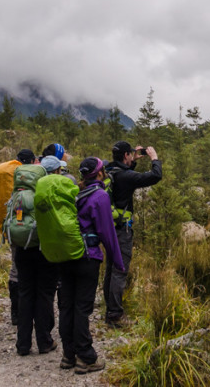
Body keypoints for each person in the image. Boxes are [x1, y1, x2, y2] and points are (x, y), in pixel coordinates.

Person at [58, 157, 125, 374]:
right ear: (99, 173)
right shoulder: (100, 196)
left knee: (67, 305)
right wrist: (117, 260)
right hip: (88, 257)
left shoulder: (74, 193)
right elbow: (107, 232)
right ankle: (86, 357)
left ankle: (68, 355)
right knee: (82, 307)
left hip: (67, 255)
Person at [102, 141, 162, 327]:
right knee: (119, 271)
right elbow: (154, 176)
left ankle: (110, 309)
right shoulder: (125, 176)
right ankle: (115, 316)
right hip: (122, 231)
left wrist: (132, 161)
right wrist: (154, 159)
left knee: (110, 269)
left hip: (110, 228)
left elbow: (126, 178)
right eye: (130, 154)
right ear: (126, 155)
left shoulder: (109, 171)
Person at [12, 160, 56, 356]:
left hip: (21, 250)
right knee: (44, 295)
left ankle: (22, 344)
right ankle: (44, 342)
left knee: (25, 294)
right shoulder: (43, 196)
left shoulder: (17, 197)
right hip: (42, 250)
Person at [0, 148, 36, 325]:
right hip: (29, 228)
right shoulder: (27, 176)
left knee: (16, 268)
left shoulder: (5, 170)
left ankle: (15, 313)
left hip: (10, 226)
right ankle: (28, 311)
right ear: (31, 161)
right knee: (31, 269)